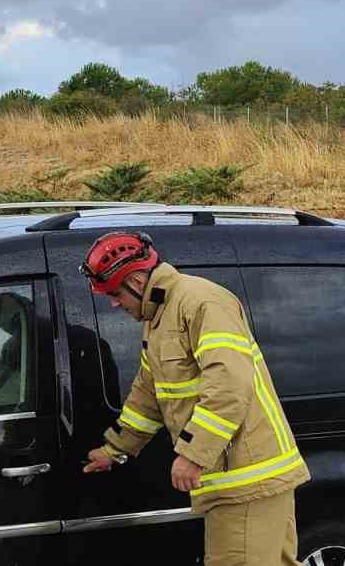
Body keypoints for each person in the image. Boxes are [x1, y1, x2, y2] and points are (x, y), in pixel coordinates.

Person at [80, 231, 307, 566]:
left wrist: (192, 455)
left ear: (138, 280)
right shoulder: (159, 317)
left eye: (115, 293)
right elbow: (149, 395)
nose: (114, 303)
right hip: (240, 482)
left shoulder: (201, 303)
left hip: (246, 483)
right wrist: (115, 449)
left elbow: (229, 385)